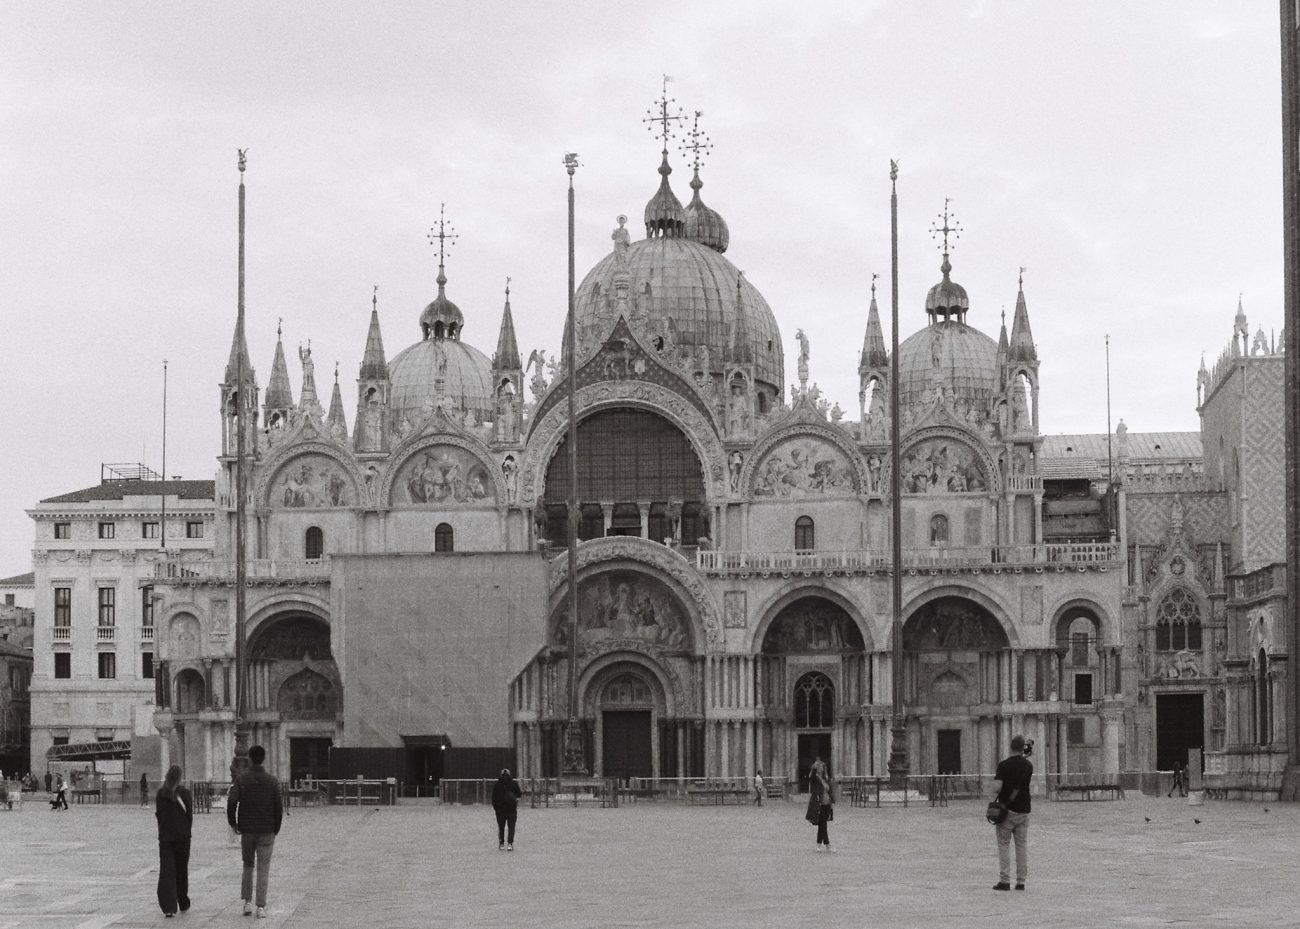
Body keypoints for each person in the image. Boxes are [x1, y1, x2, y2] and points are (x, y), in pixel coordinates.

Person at [227, 745, 283, 918]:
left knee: (248, 865)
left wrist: (233, 823)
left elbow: (231, 802)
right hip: (266, 829)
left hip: (248, 830)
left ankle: (247, 903)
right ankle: (261, 906)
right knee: (263, 868)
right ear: (264, 758)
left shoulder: (242, 779)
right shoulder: (272, 781)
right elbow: (279, 807)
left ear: (250, 758)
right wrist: (276, 828)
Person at [992, 734, 1034, 891]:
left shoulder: (1003, 765)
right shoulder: (1028, 766)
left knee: (1003, 845)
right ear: (1022, 747)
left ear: (1010, 747)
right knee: (1021, 846)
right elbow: (1022, 768)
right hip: (1024, 810)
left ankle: (1004, 880)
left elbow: (996, 788)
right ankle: (1021, 881)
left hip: (1006, 811)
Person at [155, 765, 193, 917]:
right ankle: (183, 901)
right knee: (181, 870)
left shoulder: (160, 794)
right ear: (179, 777)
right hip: (182, 837)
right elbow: (189, 815)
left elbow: (159, 815)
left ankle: (169, 907)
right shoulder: (184, 793)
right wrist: (186, 830)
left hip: (165, 838)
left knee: (167, 871)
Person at [491, 768, 522, 850]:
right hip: (511, 809)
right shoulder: (514, 783)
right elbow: (519, 794)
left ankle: (501, 843)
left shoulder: (497, 784)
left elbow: (493, 798)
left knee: (501, 827)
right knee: (511, 827)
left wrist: (496, 808)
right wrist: (515, 802)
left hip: (500, 809)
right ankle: (510, 844)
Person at [806, 758, 833, 851]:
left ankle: (820, 845)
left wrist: (831, 802)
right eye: (818, 766)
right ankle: (826, 844)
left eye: (821, 766)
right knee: (823, 824)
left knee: (823, 825)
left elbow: (829, 790)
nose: (820, 767)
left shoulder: (825, 778)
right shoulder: (815, 779)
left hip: (826, 804)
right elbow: (810, 777)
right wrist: (813, 768)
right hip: (819, 804)